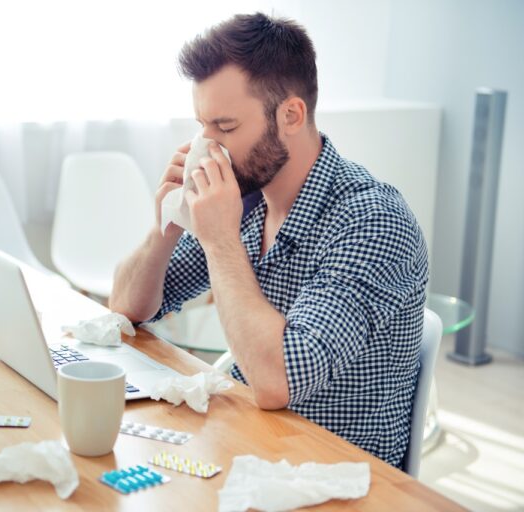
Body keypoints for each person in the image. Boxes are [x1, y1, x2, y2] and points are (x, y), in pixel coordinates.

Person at [109, 12, 428, 468]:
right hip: (249, 447)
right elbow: (125, 307)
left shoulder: (372, 222)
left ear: (291, 115)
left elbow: (278, 381)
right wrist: (167, 224)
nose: (208, 147)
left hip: (336, 477)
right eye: (203, 127)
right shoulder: (247, 197)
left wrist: (220, 241)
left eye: (226, 127)